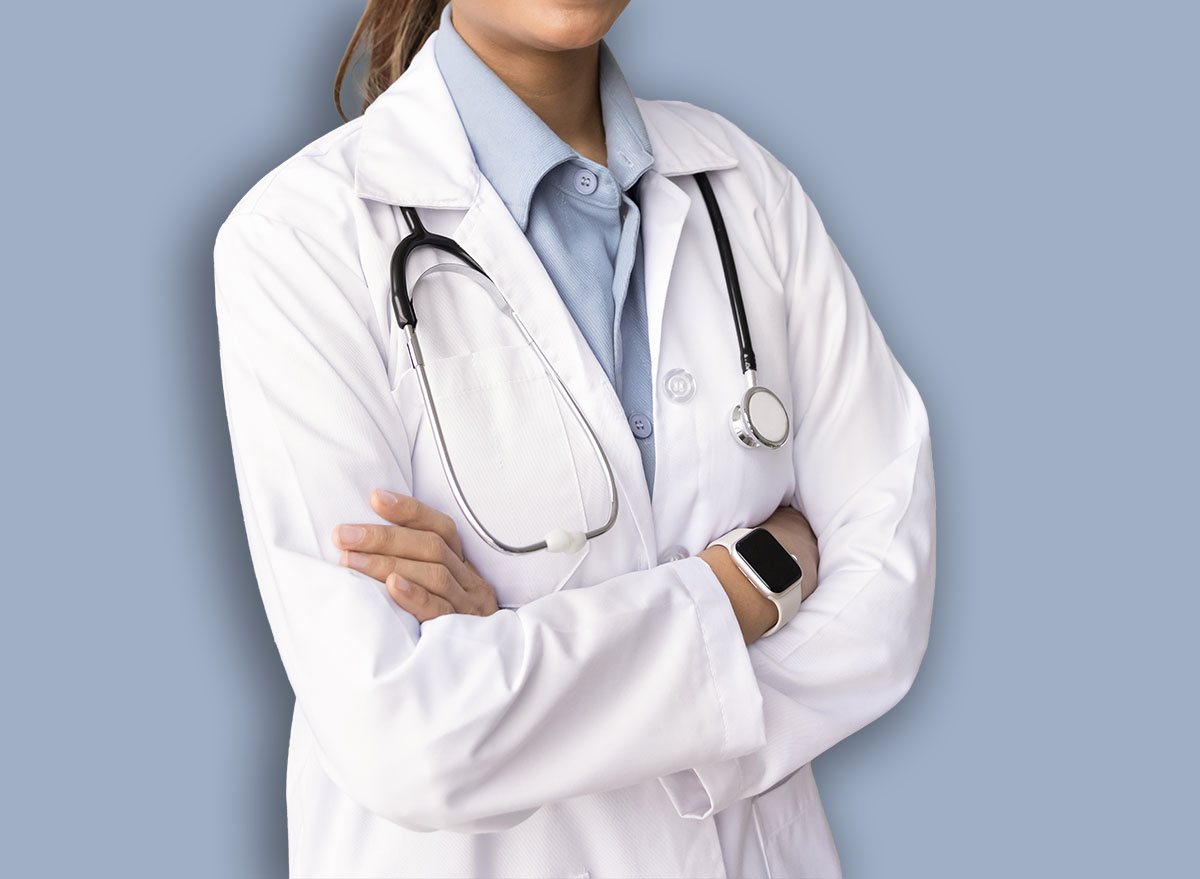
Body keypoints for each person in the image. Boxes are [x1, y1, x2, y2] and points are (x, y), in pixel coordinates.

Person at [212, 0, 937, 876]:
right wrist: (746, 583)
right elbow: (400, 733)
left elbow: (887, 592)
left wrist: (519, 665)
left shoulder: (744, 186)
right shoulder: (298, 242)